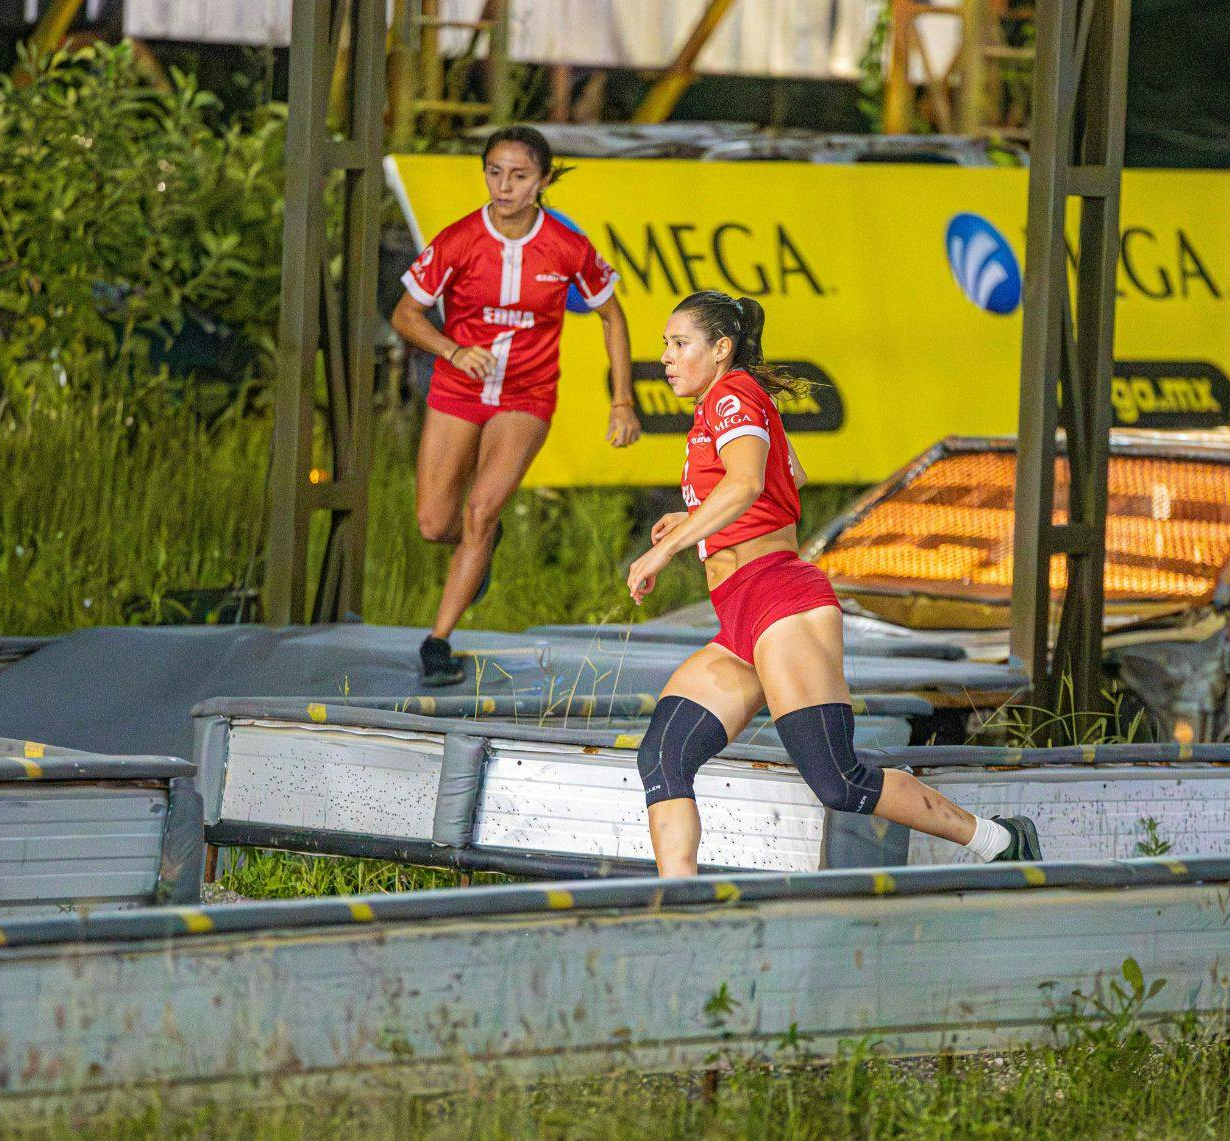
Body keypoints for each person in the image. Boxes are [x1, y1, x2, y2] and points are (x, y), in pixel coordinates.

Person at [625, 290, 1041, 875]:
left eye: (679, 344)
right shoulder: (726, 405)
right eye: (664, 346)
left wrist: (665, 548)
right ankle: (678, 908)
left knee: (839, 782)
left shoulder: (732, 394)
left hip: (779, 602)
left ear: (721, 349)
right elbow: (789, 475)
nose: (666, 357)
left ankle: (998, 841)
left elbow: (746, 485)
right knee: (664, 755)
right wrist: (692, 520)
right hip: (741, 616)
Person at [391, 125, 639, 686]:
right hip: (458, 390)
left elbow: (612, 314)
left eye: (519, 175)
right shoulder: (458, 240)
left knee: (480, 510)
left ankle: (438, 641)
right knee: (435, 523)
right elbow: (405, 315)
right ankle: (483, 543)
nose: (504, 186)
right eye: (495, 172)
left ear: (543, 182)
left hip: (526, 396)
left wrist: (622, 401)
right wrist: (452, 349)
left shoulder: (565, 246)